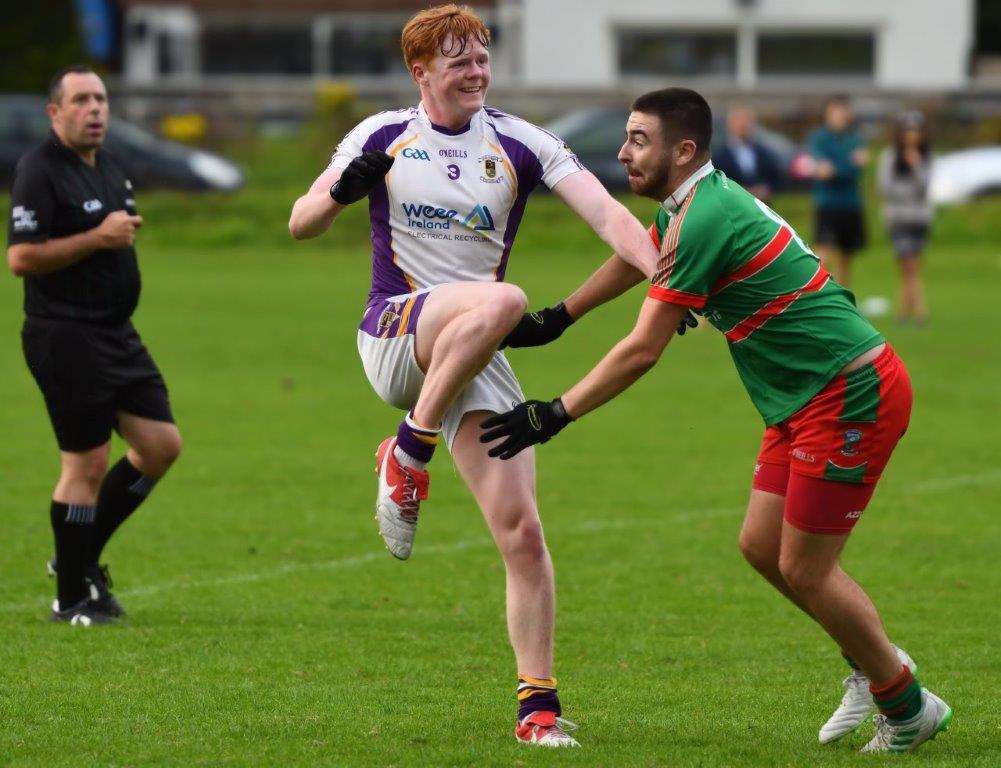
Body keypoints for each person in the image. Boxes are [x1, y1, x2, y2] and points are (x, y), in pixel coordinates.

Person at [481, 87, 952, 754]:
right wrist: (559, 317)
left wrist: (554, 412)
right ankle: (869, 660)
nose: (622, 152)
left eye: (637, 140)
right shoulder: (690, 206)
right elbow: (635, 257)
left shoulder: (702, 217)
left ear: (684, 150)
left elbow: (644, 347)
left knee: (807, 568)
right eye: (625, 136)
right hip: (800, 399)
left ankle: (905, 706)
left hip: (848, 391)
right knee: (761, 548)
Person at [287, 4, 662, 747]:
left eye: (482, 57)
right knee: (506, 298)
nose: (476, 71)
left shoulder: (519, 141)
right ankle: (411, 446)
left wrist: (663, 280)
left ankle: (537, 709)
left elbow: (611, 218)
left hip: (474, 350)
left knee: (522, 533)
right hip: (396, 333)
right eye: (458, 60)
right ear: (420, 70)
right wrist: (338, 190)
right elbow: (300, 222)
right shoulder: (382, 135)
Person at [6, 66, 182, 626]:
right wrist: (97, 238)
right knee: (85, 463)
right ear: (55, 113)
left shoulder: (109, 166)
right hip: (65, 333)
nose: (95, 110)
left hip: (116, 333)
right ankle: (72, 598)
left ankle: (75, 560)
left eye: (101, 99)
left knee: (160, 446)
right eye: (81, 100)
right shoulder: (38, 170)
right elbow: (21, 258)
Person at [878, 112, 933, 325]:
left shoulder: (926, 157)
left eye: (915, 131)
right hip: (898, 218)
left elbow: (925, 187)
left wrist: (916, 166)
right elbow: (885, 188)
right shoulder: (890, 156)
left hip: (919, 219)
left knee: (913, 266)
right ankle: (920, 310)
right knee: (908, 265)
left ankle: (903, 311)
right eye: (908, 131)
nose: (912, 136)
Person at [808, 95, 869, 287]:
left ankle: (843, 300)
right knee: (824, 253)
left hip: (850, 203)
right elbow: (824, 169)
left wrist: (837, 169)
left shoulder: (854, 139)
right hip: (828, 203)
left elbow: (854, 169)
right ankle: (819, 296)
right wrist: (846, 165)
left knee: (847, 255)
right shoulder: (819, 138)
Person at [712, 105, 781, 202]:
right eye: (738, 121)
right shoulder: (719, 154)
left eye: (746, 121)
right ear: (729, 124)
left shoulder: (763, 152)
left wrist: (765, 189)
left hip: (760, 205)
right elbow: (717, 181)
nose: (743, 125)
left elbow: (774, 176)